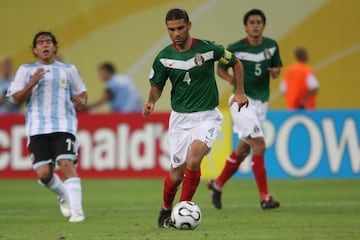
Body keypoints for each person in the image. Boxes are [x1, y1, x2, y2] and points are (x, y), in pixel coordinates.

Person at [142, 8, 248, 228]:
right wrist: (152, 101)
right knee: (176, 173)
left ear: (189, 26)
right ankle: (165, 208)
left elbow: (236, 63)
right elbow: (156, 86)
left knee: (193, 160)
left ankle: (181, 210)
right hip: (180, 120)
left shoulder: (209, 49)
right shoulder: (163, 58)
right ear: (168, 30)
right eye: (172, 29)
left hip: (207, 117)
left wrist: (239, 92)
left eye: (180, 28)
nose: (177, 33)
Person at [6, 31, 87, 222]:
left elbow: (82, 92)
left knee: (65, 163)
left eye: (48, 42)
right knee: (43, 174)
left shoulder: (69, 69)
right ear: (35, 49)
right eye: (40, 43)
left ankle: (77, 211)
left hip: (64, 125)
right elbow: (15, 100)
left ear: (55, 47)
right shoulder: (25, 70)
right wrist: (31, 84)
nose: (45, 45)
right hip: (37, 129)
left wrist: (81, 99)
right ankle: (64, 195)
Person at [207, 9, 282, 210]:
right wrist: (229, 78)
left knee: (243, 148)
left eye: (259, 22)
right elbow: (220, 68)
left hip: (261, 103)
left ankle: (218, 184)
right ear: (245, 27)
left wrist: (275, 72)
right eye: (251, 22)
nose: (255, 25)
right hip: (242, 101)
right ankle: (265, 197)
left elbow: (276, 70)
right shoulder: (235, 48)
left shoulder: (272, 46)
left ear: (263, 25)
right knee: (259, 145)